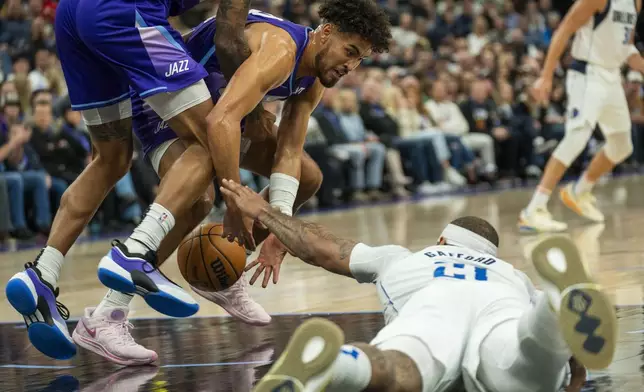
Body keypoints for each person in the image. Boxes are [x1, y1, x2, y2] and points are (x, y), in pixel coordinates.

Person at [71, 0, 393, 365]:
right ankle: (106, 315)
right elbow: (220, 122)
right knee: (200, 198)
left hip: (217, 114)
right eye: (350, 52)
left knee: (309, 176)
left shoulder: (314, 77)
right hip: (164, 102)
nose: (350, 66)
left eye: (360, 60)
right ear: (326, 32)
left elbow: (288, 151)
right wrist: (238, 204)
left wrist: (278, 228)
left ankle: (223, 272)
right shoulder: (281, 49)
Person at [4, 0, 276, 361]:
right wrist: (238, 201)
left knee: (111, 159)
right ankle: (135, 254)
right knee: (214, 137)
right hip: (124, 10)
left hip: (75, 15)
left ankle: (43, 271)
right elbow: (227, 38)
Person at [218, 179, 616, 392]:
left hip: (431, 305)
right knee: (529, 360)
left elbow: (321, 247)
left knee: (398, 370)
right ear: (491, 255)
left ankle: (337, 365)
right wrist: (568, 376)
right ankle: (553, 305)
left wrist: (265, 212)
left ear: (442, 242)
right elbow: (575, 365)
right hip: (503, 304)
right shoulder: (510, 275)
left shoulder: (406, 259)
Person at [520, 0, 644, 232]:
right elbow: (564, 30)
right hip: (588, 74)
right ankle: (533, 210)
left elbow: (625, 46)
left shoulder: (635, 2)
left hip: (612, 75)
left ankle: (580, 190)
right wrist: (546, 76)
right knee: (577, 136)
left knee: (621, 146)